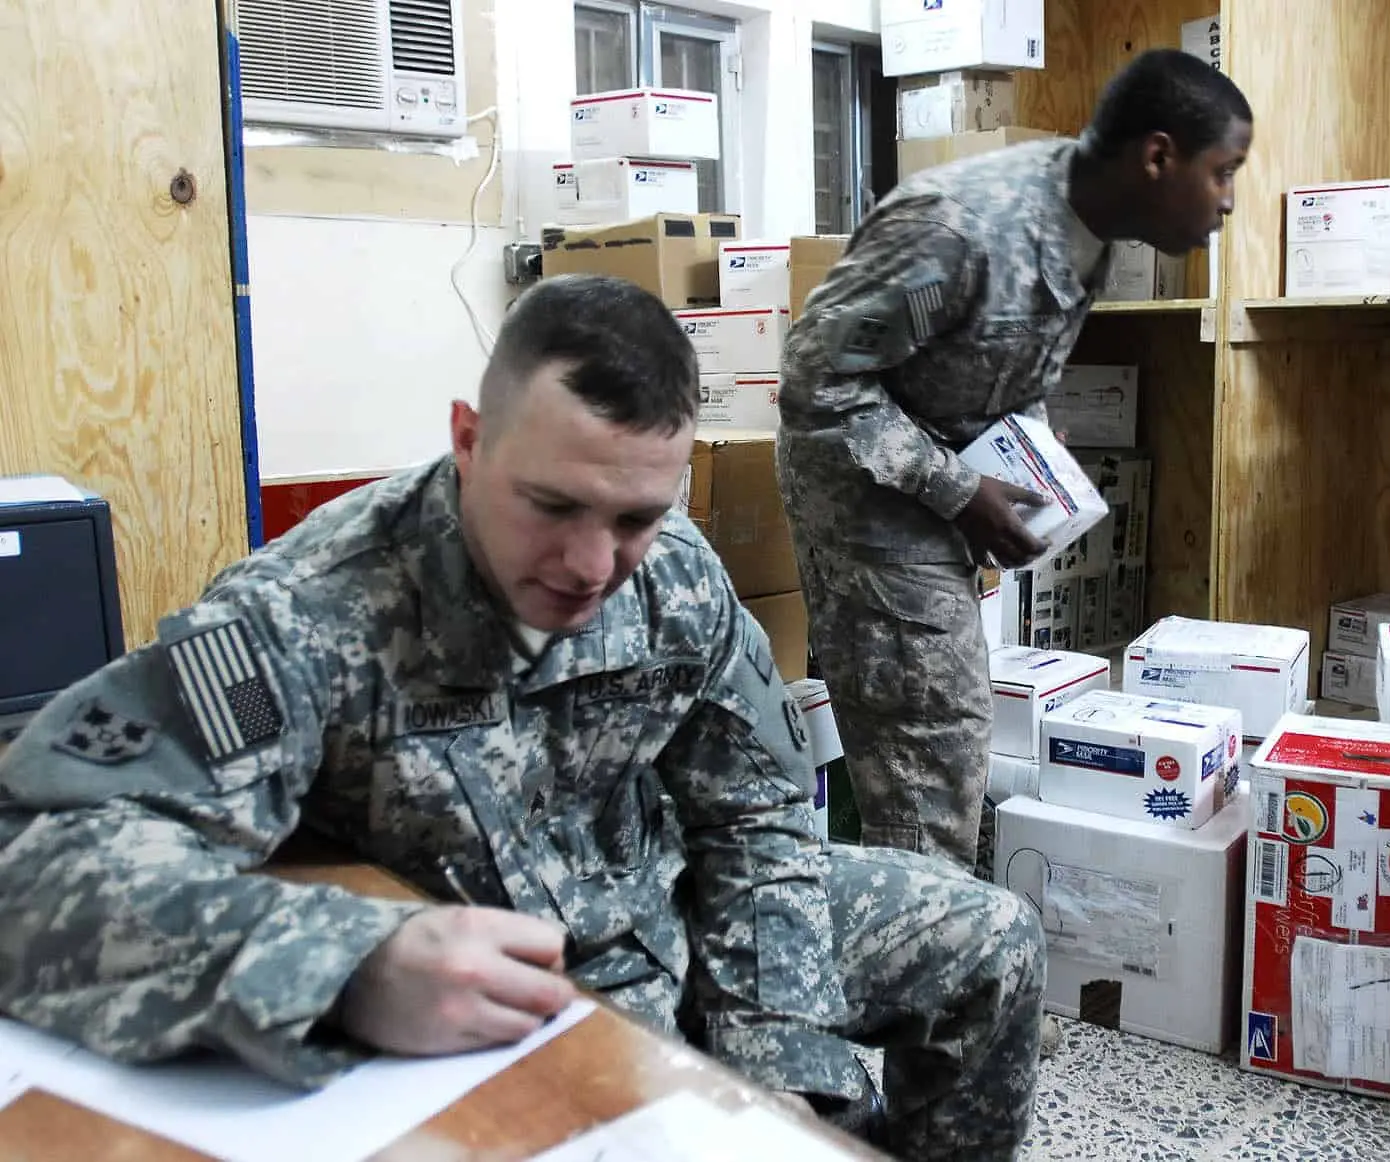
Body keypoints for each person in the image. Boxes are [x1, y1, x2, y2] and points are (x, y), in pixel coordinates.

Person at [0, 274, 1047, 1161]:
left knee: (992, 932)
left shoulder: (675, 569)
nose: (594, 567)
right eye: (552, 506)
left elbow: (756, 815)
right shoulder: (310, 611)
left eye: (635, 516)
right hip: (498, 976)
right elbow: (32, 863)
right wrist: (350, 964)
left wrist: (783, 1067)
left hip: (669, 910)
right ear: (467, 439)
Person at [775, 49, 1253, 872]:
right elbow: (815, 380)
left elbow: (993, 365)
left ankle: (931, 932)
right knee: (931, 757)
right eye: (1223, 172)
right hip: (868, 511)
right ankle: (917, 960)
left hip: (934, 496)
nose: (1229, 202)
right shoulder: (957, 227)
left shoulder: (1088, 232)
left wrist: (1026, 457)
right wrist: (961, 492)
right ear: (1157, 156)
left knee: (948, 744)